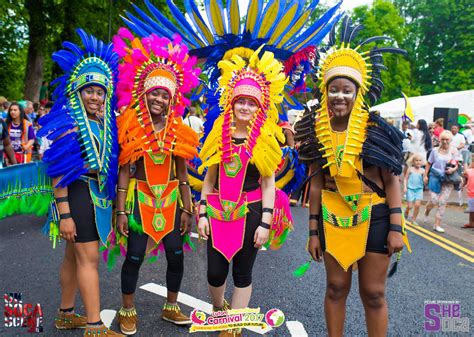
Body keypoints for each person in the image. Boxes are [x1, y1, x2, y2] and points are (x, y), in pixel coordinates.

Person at [296, 18, 409, 337]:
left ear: (358, 92)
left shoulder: (376, 131)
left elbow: (391, 181)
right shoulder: (315, 131)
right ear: (326, 91)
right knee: (335, 287)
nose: (340, 96)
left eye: (347, 90)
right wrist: (313, 232)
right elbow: (316, 186)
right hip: (334, 218)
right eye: (334, 89)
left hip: (375, 215)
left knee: (373, 293)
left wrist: (396, 228)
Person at [197, 48, 292, 337]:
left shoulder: (264, 137)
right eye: (241, 101)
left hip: (251, 213)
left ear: (259, 106)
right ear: (232, 102)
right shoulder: (218, 131)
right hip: (218, 212)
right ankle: (219, 308)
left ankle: (232, 326)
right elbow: (209, 178)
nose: (246, 107)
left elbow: (268, 184)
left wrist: (265, 222)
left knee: (242, 271)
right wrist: (201, 213)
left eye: (252, 103)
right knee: (215, 273)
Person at [111, 31, 201, 335]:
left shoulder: (178, 131)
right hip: (142, 202)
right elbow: (125, 171)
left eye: (165, 94)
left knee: (176, 255)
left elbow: (183, 173)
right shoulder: (131, 126)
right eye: (154, 93)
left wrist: (188, 209)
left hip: (172, 202)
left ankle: (171, 307)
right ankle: (127, 309)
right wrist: (121, 211)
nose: (159, 99)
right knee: (134, 256)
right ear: (143, 93)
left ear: (172, 98)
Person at [36, 29, 123, 336]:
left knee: (73, 258)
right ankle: (94, 325)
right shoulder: (68, 120)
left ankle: (65, 313)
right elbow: (58, 170)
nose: (95, 96)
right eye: (89, 91)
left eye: (100, 91)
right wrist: (65, 214)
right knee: (88, 260)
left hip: (95, 195)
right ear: (77, 90)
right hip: (76, 195)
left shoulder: (104, 122)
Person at [423, 130, 459, 233]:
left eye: (447, 139)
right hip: (435, 176)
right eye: (442, 139)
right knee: (434, 200)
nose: (444, 141)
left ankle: (437, 224)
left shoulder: (454, 151)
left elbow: (456, 164)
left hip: (448, 178)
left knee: (442, 201)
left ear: (450, 140)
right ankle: (427, 210)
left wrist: (453, 169)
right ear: (439, 140)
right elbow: (429, 163)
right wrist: (425, 175)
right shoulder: (434, 151)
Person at [403, 153, 425, 225]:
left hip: (419, 189)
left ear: (422, 162)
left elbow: (425, 180)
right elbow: (405, 179)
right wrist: (405, 187)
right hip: (410, 189)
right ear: (413, 162)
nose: (418, 162)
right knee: (410, 206)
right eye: (416, 160)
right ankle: (406, 211)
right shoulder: (410, 169)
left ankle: (414, 219)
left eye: (420, 160)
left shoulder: (423, 171)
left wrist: (425, 180)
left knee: (417, 205)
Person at [462, 160, 474, 229]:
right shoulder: (470, 171)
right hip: (471, 194)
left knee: (472, 210)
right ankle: (471, 223)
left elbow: (464, 173)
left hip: (471, 194)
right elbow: (464, 175)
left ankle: (471, 223)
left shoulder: (469, 171)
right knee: (471, 210)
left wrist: (466, 166)